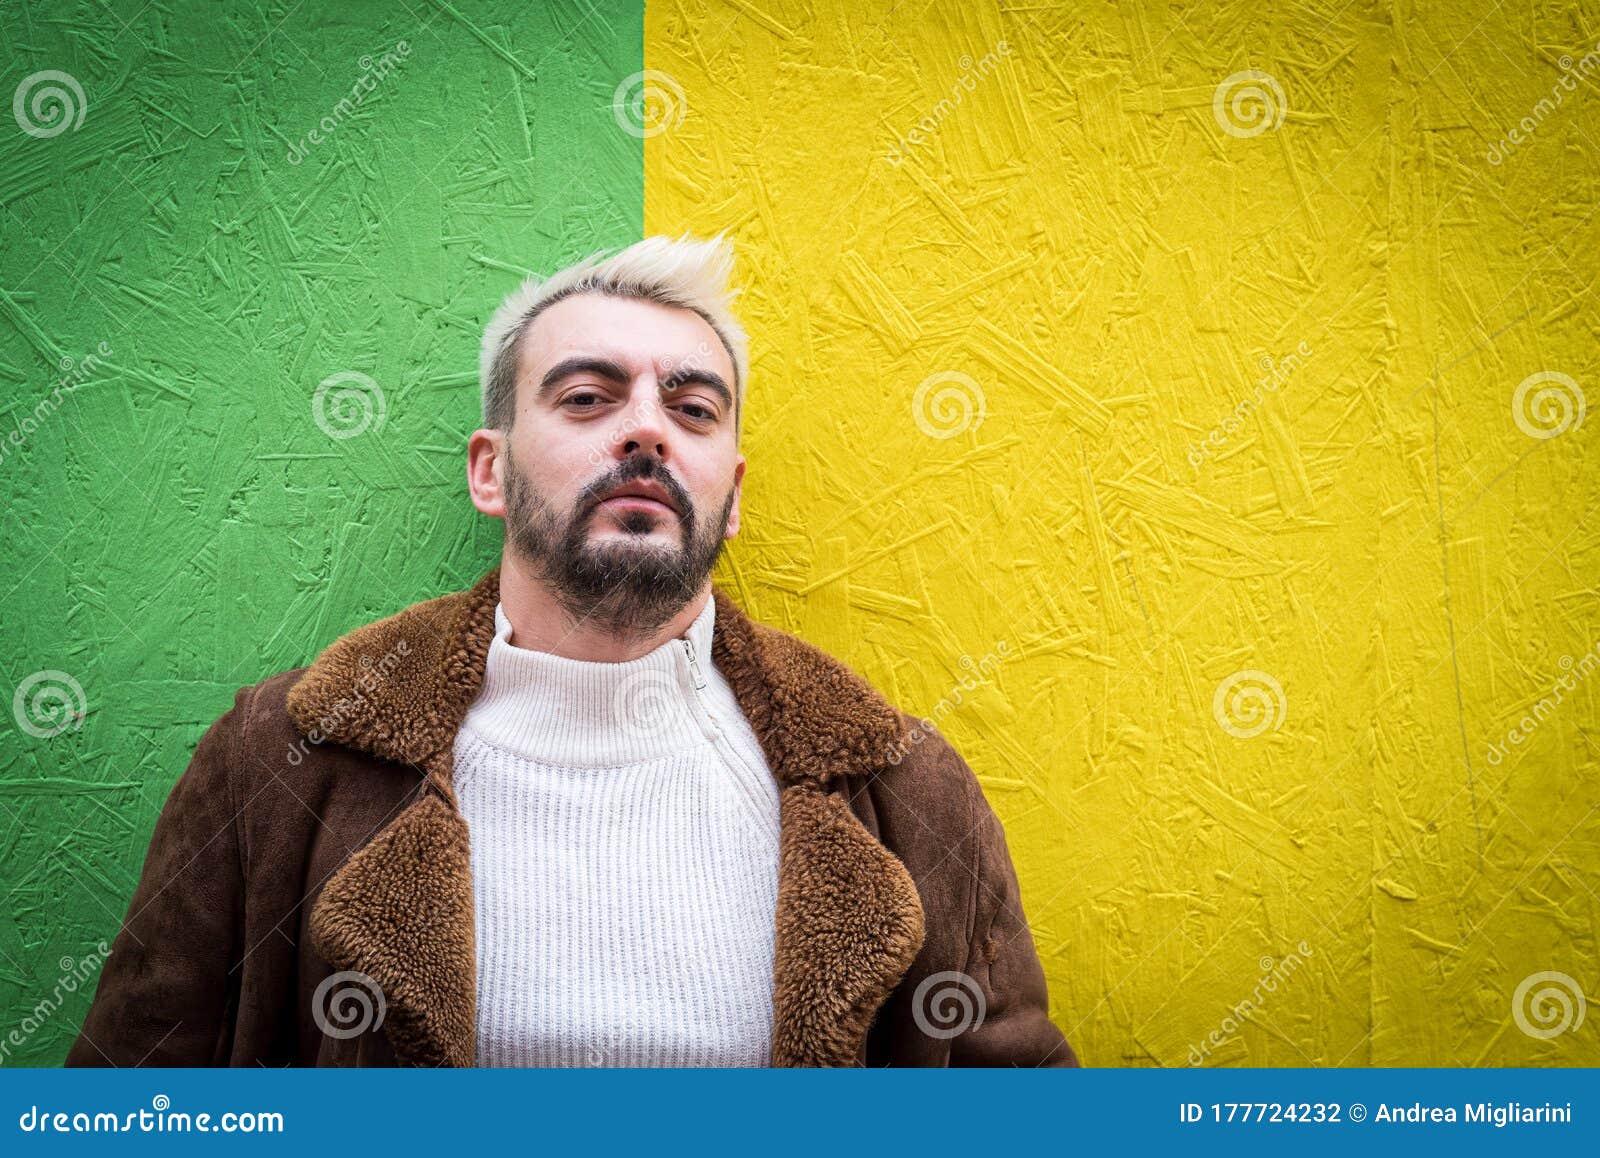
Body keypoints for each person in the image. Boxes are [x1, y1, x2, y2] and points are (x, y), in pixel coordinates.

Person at [66, 234, 1078, 1068]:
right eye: (588, 398)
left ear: (732, 496)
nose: (646, 431)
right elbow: (125, 1100)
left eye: (691, 409)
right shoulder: (278, 761)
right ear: (489, 470)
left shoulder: (903, 788)